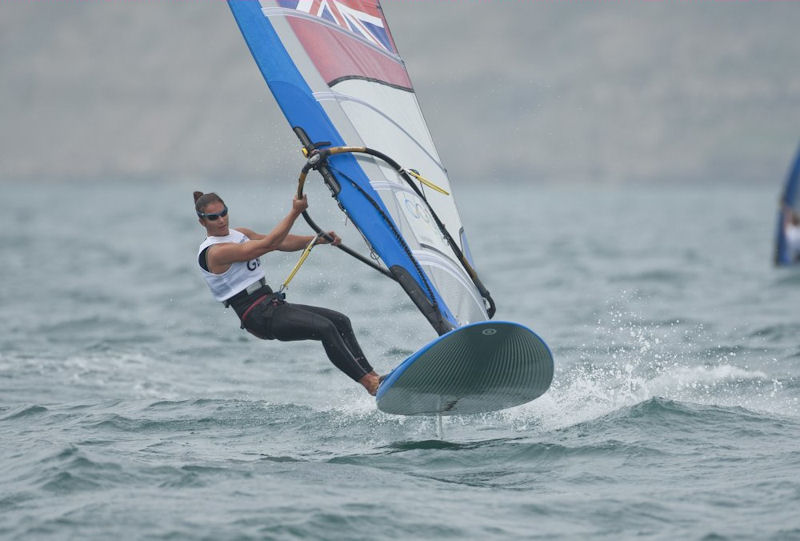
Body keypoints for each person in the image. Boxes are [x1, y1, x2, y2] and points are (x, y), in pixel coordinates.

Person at [194, 191, 381, 395]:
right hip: (256, 315)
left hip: (270, 302)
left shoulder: (240, 233)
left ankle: (374, 377)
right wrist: (295, 212)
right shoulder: (214, 252)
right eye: (213, 217)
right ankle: (368, 383)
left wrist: (317, 240)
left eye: (223, 213)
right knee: (325, 328)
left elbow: (281, 242)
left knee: (340, 321)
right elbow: (269, 244)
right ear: (202, 222)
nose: (221, 220)